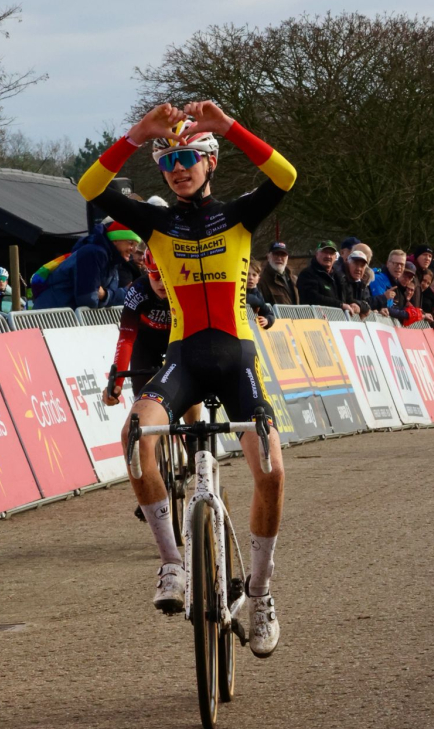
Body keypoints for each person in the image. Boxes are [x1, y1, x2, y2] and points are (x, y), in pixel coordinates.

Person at [77, 100, 292, 656]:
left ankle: (262, 593)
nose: (178, 166)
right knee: (133, 440)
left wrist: (229, 127)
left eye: (189, 156)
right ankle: (172, 562)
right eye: (168, 158)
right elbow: (90, 187)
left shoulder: (241, 216)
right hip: (182, 362)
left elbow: (285, 175)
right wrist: (136, 134)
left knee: (270, 469)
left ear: (210, 163)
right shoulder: (158, 222)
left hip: (237, 361)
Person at [106, 250, 172, 406]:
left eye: (166, 277)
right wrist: (117, 384)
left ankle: (196, 426)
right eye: (155, 276)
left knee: (190, 390)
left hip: (177, 339)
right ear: (148, 272)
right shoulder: (138, 290)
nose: (161, 283)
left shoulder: (183, 290)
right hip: (146, 342)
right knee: (142, 398)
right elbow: (126, 340)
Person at [33, 220, 142, 309]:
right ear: (115, 240)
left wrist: (105, 295)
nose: (134, 250)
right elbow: (87, 299)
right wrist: (107, 296)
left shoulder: (113, 261)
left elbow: (116, 295)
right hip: (50, 318)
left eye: (136, 245)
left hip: (63, 318)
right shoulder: (94, 253)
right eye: (131, 243)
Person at [297, 240, 360, 316]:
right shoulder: (307, 274)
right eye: (325, 252)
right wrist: (340, 305)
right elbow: (312, 297)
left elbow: (348, 297)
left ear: (335, 256)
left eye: (331, 253)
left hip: (337, 322)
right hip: (315, 321)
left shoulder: (339, 276)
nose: (328, 256)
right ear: (317, 254)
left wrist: (355, 304)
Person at [332, 244, 375, 318]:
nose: (358, 269)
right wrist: (359, 306)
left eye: (362, 266)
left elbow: (367, 304)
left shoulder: (361, 284)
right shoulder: (340, 278)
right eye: (356, 264)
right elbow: (346, 300)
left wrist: (359, 306)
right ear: (347, 262)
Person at [257, 241, 299, 306]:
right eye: (276, 254)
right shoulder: (261, 281)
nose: (279, 258)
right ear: (268, 257)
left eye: (283, 255)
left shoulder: (294, 280)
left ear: (287, 258)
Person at [246, 262, 276, 327]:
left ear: (258, 279)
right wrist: (257, 301)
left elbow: (269, 314)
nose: (251, 278)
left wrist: (267, 320)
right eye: (247, 274)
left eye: (254, 275)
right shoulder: (234, 290)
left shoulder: (257, 294)